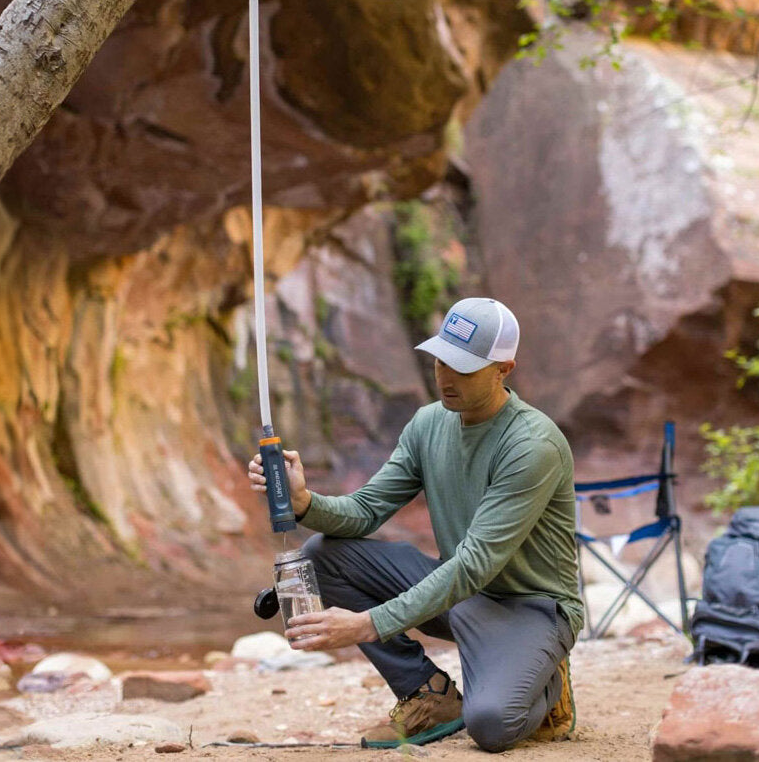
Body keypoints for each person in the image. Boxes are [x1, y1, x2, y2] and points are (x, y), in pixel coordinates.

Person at [248, 297, 583, 752]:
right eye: (441, 360)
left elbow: (474, 565)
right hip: (461, 596)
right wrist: (306, 502)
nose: (445, 377)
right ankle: (428, 693)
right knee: (323, 555)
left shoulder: (532, 445)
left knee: (491, 727)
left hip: (530, 607)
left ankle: (546, 676)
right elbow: (367, 510)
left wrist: (367, 623)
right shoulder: (429, 423)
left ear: (505, 369)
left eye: (463, 367)